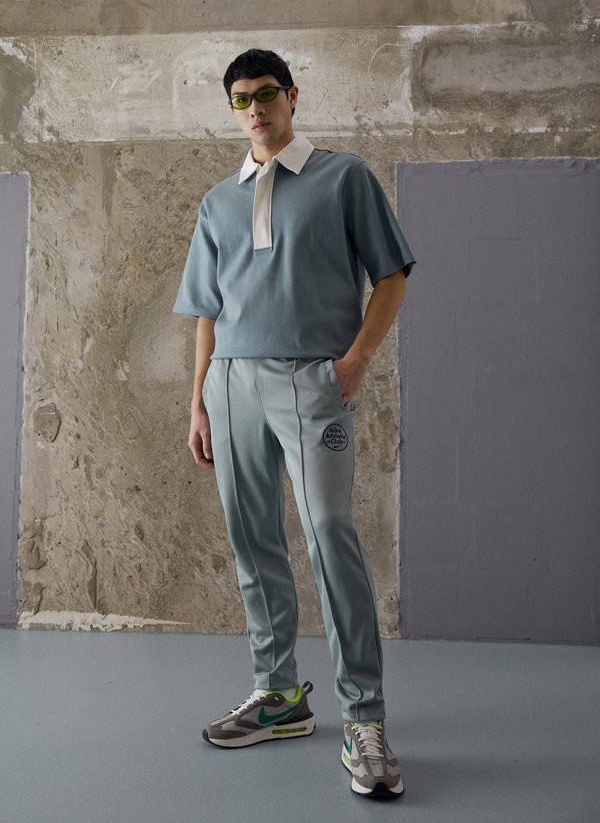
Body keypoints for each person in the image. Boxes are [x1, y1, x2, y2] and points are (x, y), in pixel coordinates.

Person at [173, 48, 416, 798]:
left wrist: (357, 359)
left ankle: (365, 719)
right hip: (231, 384)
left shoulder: (344, 178)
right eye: (241, 98)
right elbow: (207, 310)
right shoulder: (218, 202)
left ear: (292, 95)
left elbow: (392, 274)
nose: (256, 107)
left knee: (330, 535)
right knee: (253, 540)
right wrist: (198, 399)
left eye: (268, 93)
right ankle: (278, 696)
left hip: (314, 380)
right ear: (233, 109)